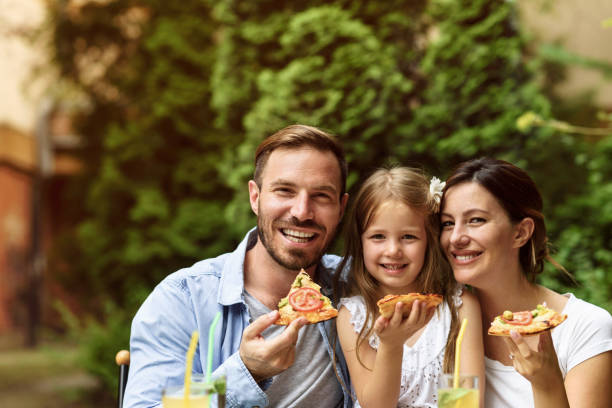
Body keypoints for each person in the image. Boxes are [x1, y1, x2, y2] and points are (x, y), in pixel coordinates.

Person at [123, 124, 353, 408]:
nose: (302, 212)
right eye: (284, 191)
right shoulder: (183, 300)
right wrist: (246, 372)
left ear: (341, 208)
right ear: (255, 197)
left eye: (321, 196)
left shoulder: (359, 287)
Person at [439, 157, 612, 408]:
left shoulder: (586, 327)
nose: (455, 238)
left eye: (476, 220)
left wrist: (546, 384)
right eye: (447, 223)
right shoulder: (448, 325)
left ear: (520, 232)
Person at [335, 167, 485, 408]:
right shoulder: (353, 316)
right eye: (378, 237)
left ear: (429, 240)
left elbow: (468, 402)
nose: (393, 250)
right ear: (360, 242)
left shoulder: (459, 307)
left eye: (408, 237)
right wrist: (391, 345)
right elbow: (376, 405)